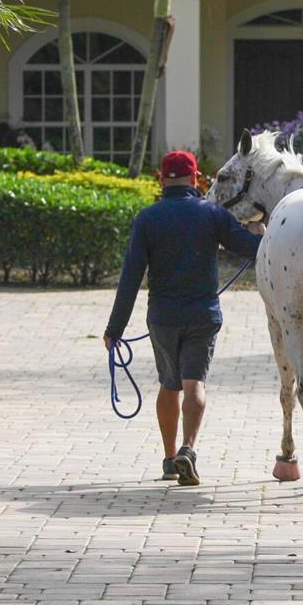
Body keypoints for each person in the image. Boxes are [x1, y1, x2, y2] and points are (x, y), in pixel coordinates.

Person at [104, 150, 264, 486]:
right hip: (202, 314)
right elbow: (248, 249)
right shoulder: (212, 215)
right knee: (195, 384)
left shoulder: (147, 219)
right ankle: (188, 450)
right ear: (195, 179)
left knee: (169, 384)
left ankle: (168, 457)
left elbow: (130, 277)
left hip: (162, 317)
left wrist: (114, 329)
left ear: (162, 179)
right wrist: (260, 232)